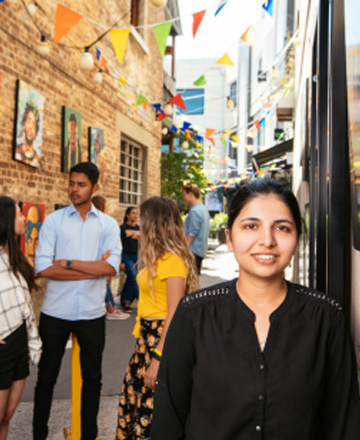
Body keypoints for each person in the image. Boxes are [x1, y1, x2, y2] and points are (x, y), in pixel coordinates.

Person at [152, 179, 360, 440]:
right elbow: (168, 418)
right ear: (229, 237)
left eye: (282, 228)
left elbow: (343, 423)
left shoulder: (326, 318)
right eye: (251, 226)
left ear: (297, 238)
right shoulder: (195, 314)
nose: (267, 240)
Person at [33, 162, 121, 440]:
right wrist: (91, 268)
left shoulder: (108, 225)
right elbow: (43, 268)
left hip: (92, 314)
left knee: (92, 379)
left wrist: (68, 263)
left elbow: (110, 269)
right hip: (55, 312)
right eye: (71, 183)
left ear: (95, 187)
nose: (73, 189)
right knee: (46, 378)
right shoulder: (54, 221)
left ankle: (88, 435)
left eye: (81, 184)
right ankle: (38, 434)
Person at [116, 197, 198, 440]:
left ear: (155, 222)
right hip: (146, 338)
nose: (138, 221)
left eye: (142, 217)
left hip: (160, 340)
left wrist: (158, 358)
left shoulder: (173, 261)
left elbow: (175, 312)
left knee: (151, 410)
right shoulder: (158, 257)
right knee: (137, 401)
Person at [0, 196, 42, 439]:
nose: (24, 217)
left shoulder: (15, 257)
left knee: (8, 414)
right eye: (18, 214)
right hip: (3, 342)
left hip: (19, 341)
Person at [91, 195, 130, 320]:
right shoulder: (103, 223)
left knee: (102, 283)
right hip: (100, 258)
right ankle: (111, 308)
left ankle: (111, 307)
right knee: (104, 281)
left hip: (96, 258)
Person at [183, 184, 210, 274]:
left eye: (185, 195)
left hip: (193, 250)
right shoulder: (202, 209)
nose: (184, 198)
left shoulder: (195, 211)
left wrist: (185, 248)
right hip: (200, 250)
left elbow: (192, 233)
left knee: (192, 279)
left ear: (190, 194)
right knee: (195, 277)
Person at [120, 206, 140, 312]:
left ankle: (126, 302)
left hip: (137, 257)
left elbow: (141, 245)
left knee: (130, 280)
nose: (135, 215)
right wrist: (121, 261)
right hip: (127, 257)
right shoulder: (122, 228)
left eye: (136, 213)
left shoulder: (138, 228)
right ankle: (142, 303)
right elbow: (120, 245)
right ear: (127, 215)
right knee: (135, 279)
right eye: (133, 213)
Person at [15, 102, 41, 168]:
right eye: (29, 121)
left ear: (36, 130)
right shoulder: (17, 151)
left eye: (34, 123)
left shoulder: (37, 159)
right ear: (24, 123)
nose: (30, 127)